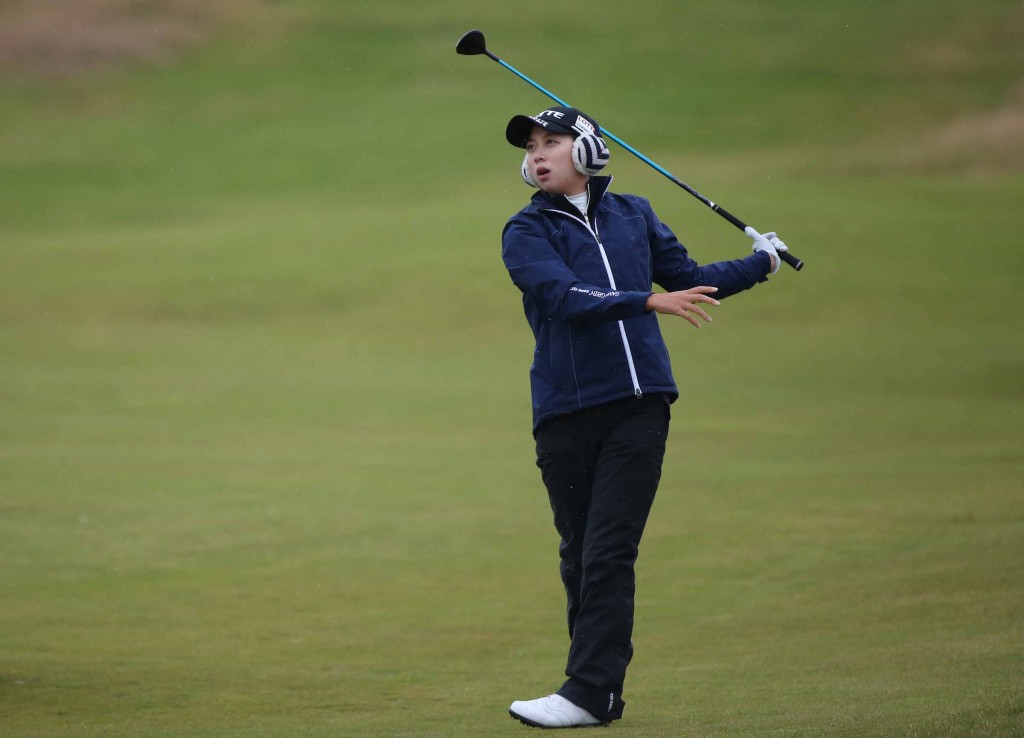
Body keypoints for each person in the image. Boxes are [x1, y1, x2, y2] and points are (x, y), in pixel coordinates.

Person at [500, 106, 788, 729]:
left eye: (552, 142)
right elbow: (562, 297)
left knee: (608, 551)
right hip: (564, 411)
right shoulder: (525, 231)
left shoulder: (634, 214)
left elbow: (687, 279)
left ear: (587, 153)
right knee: (579, 555)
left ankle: (585, 689)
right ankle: (597, 696)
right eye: (530, 147)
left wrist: (760, 263)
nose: (538, 154)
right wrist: (646, 299)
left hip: (640, 405)